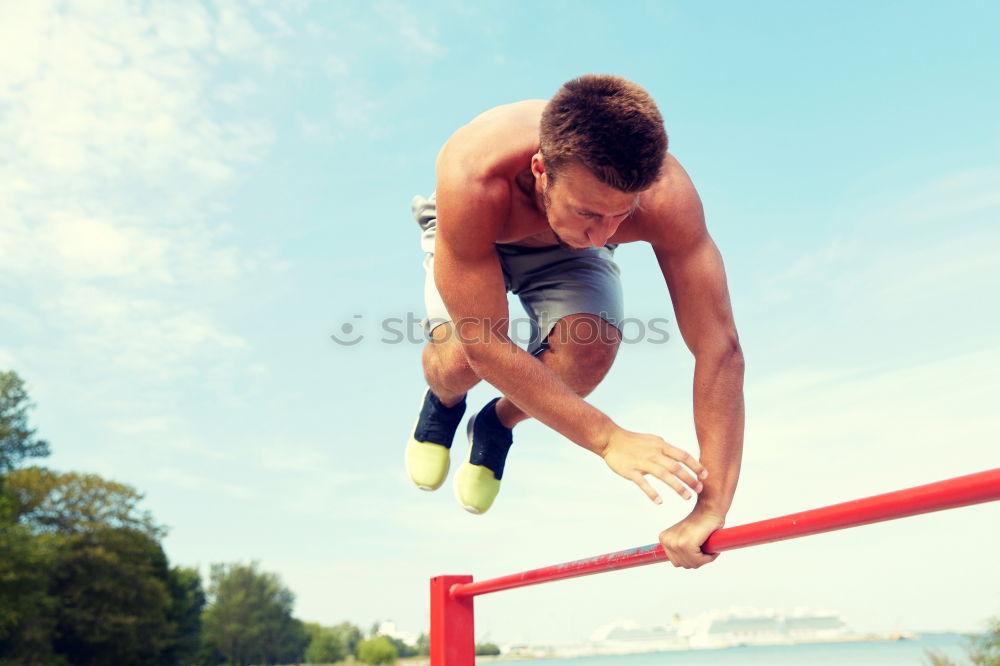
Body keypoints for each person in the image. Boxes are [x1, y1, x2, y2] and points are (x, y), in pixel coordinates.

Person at [406, 74, 744, 569]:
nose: (604, 233)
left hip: (556, 251)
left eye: (620, 217)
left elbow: (720, 349)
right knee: (463, 359)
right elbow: (486, 344)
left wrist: (710, 506)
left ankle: (495, 423)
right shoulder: (474, 174)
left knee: (589, 351)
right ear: (540, 170)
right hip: (481, 231)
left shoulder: (665, 199)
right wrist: (608, 439)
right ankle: (444, 404)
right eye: (589, 212)